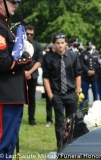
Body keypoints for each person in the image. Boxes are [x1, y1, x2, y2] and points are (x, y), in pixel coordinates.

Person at [0, 0, 34, 158]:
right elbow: (4, 62)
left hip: (11, 97)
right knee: (3, 144)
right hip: (5, 97)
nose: (16, 5)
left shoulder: (5, 26)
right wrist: (26, 56)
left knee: (8, 146)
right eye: (13, 1)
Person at [42, 33, 81, 147]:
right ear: (54, 44)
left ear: (66, 43)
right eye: (57, 43)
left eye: (62, 43)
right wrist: (50, 94)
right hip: (57, 94)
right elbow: (46, 78)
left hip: (71, 93)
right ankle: (61, 146)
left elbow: (78, 74)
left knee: (72, 122)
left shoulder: (73, 56)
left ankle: (72, 145)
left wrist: (77, 92)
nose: (60, 45)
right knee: (59, 122)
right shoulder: (49, 58)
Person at [24, 24, 43, 126]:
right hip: (20, 75)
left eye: (31, 34)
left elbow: (39, 61)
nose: (29, 36)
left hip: (33, 74)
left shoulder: (37, 45)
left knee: (32, 98)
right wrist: (24, 73)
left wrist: (29, 72)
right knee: (19, 98)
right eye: (27, 34)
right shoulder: (19, 44)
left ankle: (31, 119)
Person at [79, 40, 99, 109]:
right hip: (86, 76)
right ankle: (84, 108)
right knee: (84, 94)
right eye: (88, 45)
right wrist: (87, 71)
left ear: (93, 45)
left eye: (90, 45)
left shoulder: (96, 53)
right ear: (86, 46)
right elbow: (81, 64)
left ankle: (97, 108)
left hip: (94, 77)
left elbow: (98, 63)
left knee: (96, 94)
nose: (89, 46)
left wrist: (93, 71)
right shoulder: (83, 54)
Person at [44, 36, 56, 127]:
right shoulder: (47, 55)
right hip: (49, 81)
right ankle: (49, 119)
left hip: (59, 83)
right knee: (49, 102)